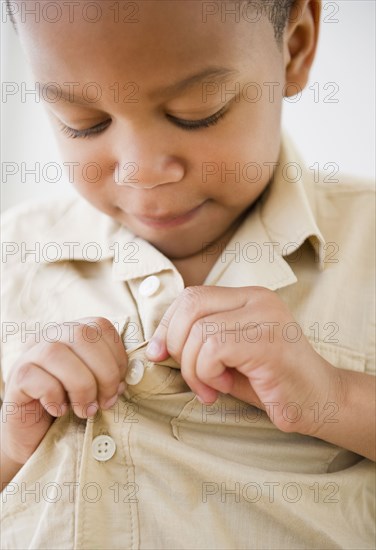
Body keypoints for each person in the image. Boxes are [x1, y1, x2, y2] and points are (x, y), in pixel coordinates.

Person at [1, 1, 375, 548]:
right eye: (84, 124)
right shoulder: (12, 257)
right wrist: (10, 445)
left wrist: (337, 397)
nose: (141, 171)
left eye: (197, 113)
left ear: (294, 46)